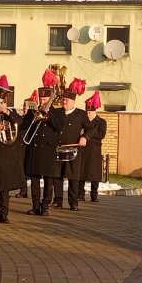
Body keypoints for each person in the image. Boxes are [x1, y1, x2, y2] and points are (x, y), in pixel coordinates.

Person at [23, 69, 64, 216]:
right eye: (41, 99)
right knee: (34, 180)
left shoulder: (57, 112)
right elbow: (26, 126)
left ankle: (45, 205)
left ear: (49, 99)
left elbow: (60, 126)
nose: (42, 101)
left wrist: (48, 116)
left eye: (44, 99)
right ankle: (35, 205)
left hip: (48, 149)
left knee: (48, 180)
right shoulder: (34, 111)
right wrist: (31, 114)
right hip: (35, 149)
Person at [0, 75, 25, 224]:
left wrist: (6, 112)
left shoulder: (11, 113)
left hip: (6, 154)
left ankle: (3, 214)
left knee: (4, 188)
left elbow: (20, 122)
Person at [57, 81, 88, 211]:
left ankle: (73, 202)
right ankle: (57, 201)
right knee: (57, 176)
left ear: (73, 102)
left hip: (73, 150)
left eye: (67, 100)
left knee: (73, 177)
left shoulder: (81, 114)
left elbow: (90, 128)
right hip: (58, 148)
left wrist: (85, 137)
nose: (64, 102)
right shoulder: (57, 113)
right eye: (63, 100)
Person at [78, 91, 107, 203]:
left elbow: (101, 134)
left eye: (90, 112)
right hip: (84, 150)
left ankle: (94, 195)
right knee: (82, 172)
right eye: (87, 112)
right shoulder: (83, 121)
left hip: (94, 150)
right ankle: (80, 194)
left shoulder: (101, 121)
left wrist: (89, 132)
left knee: (94, 174)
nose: (88, 114)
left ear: (94, 111)